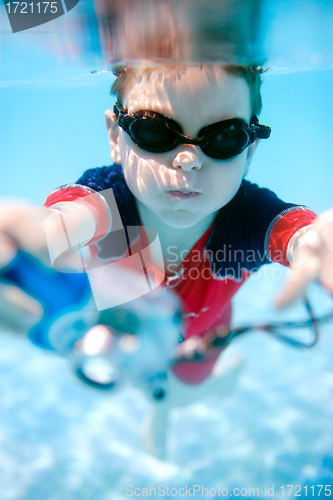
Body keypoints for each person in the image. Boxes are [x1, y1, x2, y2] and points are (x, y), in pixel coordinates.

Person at [1, 64, 332, 387]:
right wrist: (31, 236)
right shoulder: (108, 199)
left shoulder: (249, 218)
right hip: (133, 329)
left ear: (249, 152)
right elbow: (65, 222)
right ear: (116, 136)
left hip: (206, 331)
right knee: (128, 364)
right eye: (153, 130)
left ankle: (208, 390)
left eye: (225, 137)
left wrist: (316, 241)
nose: (187, 159)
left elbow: (299, 235)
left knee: (191, 385)